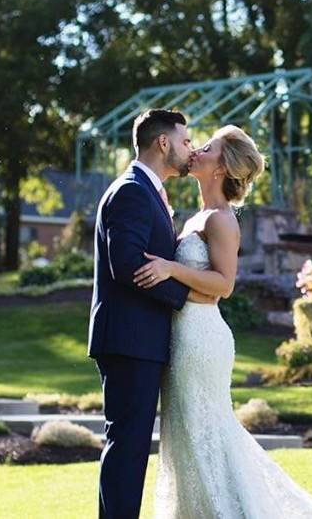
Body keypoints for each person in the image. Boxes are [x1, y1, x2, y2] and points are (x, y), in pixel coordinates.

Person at [133, 124, 312, 518]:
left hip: (201, 339)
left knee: (205, 433)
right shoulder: (198, 217)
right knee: (186, 439)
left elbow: (223, 285)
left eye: (207, 148)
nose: (195, 150)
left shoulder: (222, 220)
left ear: (221, 169)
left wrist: (169, 270)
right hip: (181, 335)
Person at [87, 109, 210, 518]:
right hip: (128, 340)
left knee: (132, 447)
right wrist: (188, 296)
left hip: (140, 341)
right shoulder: (131, 191)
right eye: (186, 140)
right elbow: (126, 263)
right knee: (128, 447)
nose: (190, 148)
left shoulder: (148, 190)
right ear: (164, 143)